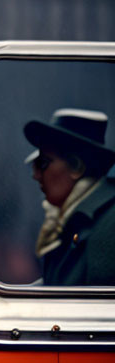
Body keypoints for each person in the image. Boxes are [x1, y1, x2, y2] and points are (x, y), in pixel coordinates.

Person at [24, 108, 115, 286]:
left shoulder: (109, 224)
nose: (35, 175)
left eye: (42, 163)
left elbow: (99, 305)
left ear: (75, 167)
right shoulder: (71, 219)